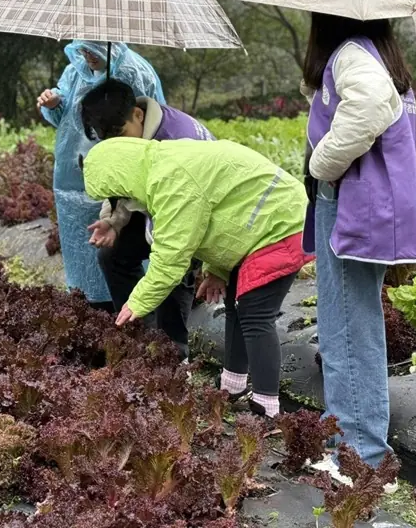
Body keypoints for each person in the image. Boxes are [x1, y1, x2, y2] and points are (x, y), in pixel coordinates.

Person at [83, 137, 311, 417]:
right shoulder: (161, 168)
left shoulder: (172, 182)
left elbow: (171, 258)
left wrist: (137, 303)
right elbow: (224, 214)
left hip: (280, 226)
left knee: (255, 315)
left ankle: (266, 407)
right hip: (261, 228)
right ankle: (233, 387)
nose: (128, 204)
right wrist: (216, 271)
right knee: (237, 307)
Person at [301, 12, 416, 468]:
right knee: (353, 327)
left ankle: (362, 458)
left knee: (348, 333)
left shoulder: (352, 54)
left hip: (353, 202)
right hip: (370, 203)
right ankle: (356, 448)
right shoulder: (377, 54)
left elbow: (371, 108)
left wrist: (321, 164)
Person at [79, 78, 215, 359]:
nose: (116, 145)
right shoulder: (134, 134)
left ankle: (173, 354)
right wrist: (113, 222)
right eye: (108, 141)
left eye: (120, 134)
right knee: (112, 255)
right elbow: (124, 180)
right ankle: (137, 334)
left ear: (137, 115)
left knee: (172, 272)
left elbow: (184, 219)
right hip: (163, 210)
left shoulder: (177, 137)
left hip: (200, 218)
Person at [37, 41, 164, 309]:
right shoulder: (74, 71)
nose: (87, 57)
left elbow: (151, 122)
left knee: (125, 244)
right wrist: (54, 103)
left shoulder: (135, 72)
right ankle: (92, 306)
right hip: (75, 176)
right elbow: (65, 117)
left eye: (92, 50)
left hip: (123, 174)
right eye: (82, 50)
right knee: (84, 245)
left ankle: (135, 310)